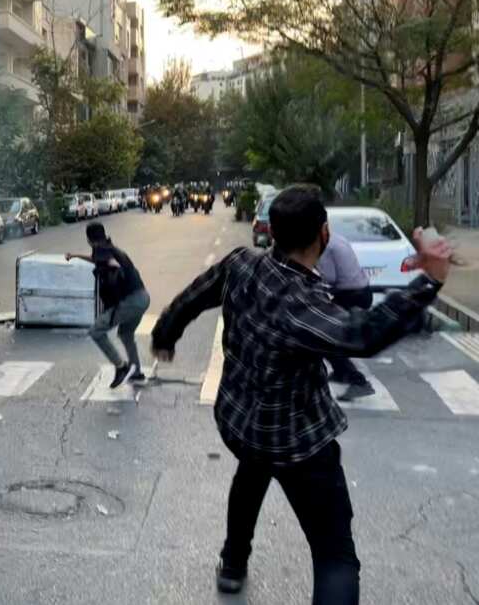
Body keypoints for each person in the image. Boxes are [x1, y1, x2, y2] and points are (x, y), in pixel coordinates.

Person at [150, 185, 451, 604]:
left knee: (251, 474)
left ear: (271, 232)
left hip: (241, 424)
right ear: (323, 236)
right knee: (335, 556)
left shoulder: (241, 264)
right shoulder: (304, 303)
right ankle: (234, 563)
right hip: (300, 445)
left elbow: (195, 295)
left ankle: (233, 566)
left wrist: (166, 332)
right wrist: (429, 280)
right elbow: (362, 334)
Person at [66, 222, 151, 388]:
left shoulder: (103, 251)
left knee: (96, 331)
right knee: (126, 335)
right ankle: (137, 373)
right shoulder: (109, 248)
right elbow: (99, 260)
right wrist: (76, 255)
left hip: (130, 301)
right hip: (142, 298)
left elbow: (110, 263)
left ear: (90, 240)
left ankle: (121, 367)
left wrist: (115, 269)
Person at [318, 231, 376, 401]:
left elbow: (330, 277)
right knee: (329, 335)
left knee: (325, 336)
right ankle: (341, 371)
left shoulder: (324, 246)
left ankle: (358, 381)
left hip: (352, 295)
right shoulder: (337, 238)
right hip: (361, 291)